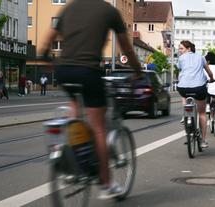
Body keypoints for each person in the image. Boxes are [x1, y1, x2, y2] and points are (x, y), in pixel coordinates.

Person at [40, 0, 142, 200]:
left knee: (75, 111)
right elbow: (127, 49)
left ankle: (70, 162)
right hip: (88, 71)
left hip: (64, 71)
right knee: (98, 128)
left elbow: (49, 39)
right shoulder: (109, 11)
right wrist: (137, 71)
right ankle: (107, 183)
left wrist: (46, 57)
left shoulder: (69, 7)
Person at [177, 40, 215, 148]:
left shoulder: (180, 59)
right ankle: (203, 140)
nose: (179, 51)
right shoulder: (201, 58)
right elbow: (209, 72)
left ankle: (185, 113)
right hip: (199, 87)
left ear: (188, 49)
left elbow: (181, 71)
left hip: (183, 88)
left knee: (184, 94)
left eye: (181, 48)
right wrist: (212, 79)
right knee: (202, 113)